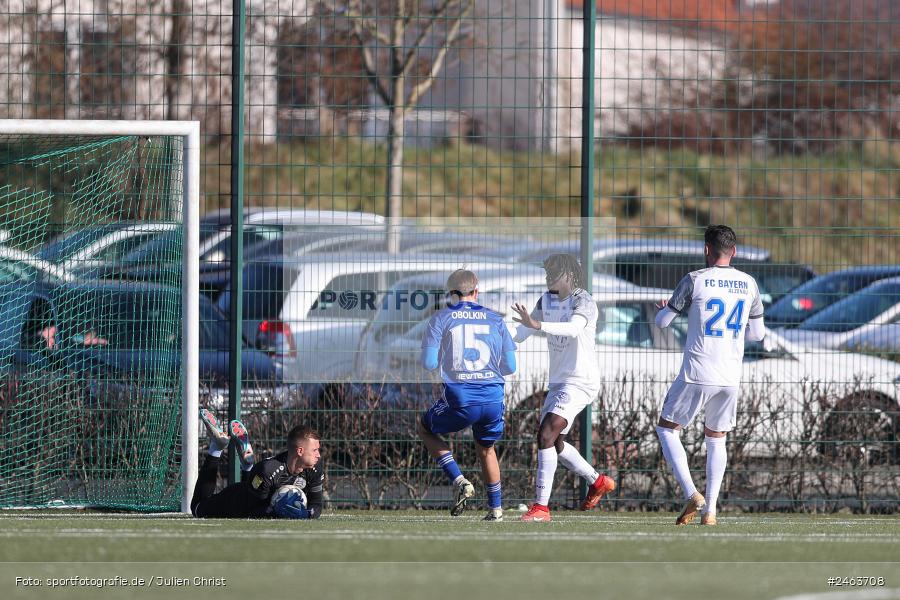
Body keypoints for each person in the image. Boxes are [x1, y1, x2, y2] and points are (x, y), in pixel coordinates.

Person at [653, 225, 766, 526]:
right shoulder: (749, 283)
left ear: (706, 250)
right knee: (716, 439)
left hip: (698, 371)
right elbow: (757, 334)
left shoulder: (694, 279)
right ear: (735, 252)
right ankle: (710, 512)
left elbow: (662, 323)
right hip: (730, 375)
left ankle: (692, 493)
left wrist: (668, 308)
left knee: (667, 429)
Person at [511, 254, 616, 522]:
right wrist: (498, 345)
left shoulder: (584, 301)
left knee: (546, 432)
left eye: (553, 274)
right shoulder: (545, 300)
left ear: (570, 275)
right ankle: (597, 481)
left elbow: (573, 328)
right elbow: (521, 334)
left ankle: (541, 508)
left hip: (581, 380)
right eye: (547, 274)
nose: (548, 279)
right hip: (559, 381)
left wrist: (538, 325)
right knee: (556, 442)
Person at [419, 269, 517, 521]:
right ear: (477, 291)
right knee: (486, 448)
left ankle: (459, 480)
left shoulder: (441, 318)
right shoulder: (496, 319)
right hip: (493, 398)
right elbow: (510, 367)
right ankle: (496, 510)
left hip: (462, 398)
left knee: (425, 428)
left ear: (450, 293)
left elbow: (429, 363)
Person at [192, 408, 324, 519]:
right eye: (315, 450)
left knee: (255, 486)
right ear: (300, 451)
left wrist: (306, 514)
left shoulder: (315, 469)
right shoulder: (268, 471)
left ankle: (248, 465)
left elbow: (317, 504)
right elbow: (251, 511)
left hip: (253, 490)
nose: (318, 455)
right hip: (234, 502)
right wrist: (279, 511)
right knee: (197, 508)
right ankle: (217, 446)